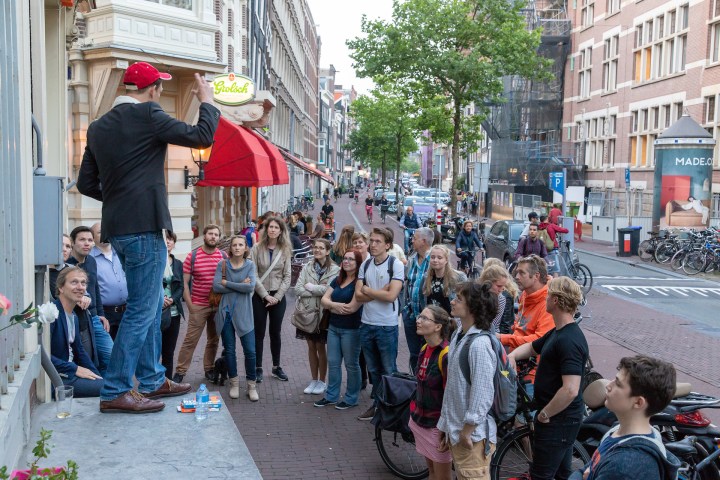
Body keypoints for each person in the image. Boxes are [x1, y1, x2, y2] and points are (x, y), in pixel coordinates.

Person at [77, 62, 216, 412]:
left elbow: (85, 184)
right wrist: (207, 101)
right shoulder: (150, 115)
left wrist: (120, 200)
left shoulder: (97, 127)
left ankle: (153, 379)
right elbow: (201, 136)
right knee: (142, 309)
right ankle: (116, 391)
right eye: (159, 88)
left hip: (117, 229)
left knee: (151, 302)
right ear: (153, 89)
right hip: (144, 228)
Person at [508, 276, 589, 480]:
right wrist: (512, 356)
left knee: (540, 475)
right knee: (562, 474)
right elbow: (534, 346)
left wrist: (545, 413)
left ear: (555, 300)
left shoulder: (570, 340)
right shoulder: (558, 332)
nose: (545, 297)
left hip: (559, 419)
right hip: (559, 418)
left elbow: (570, 389)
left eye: (549, 293)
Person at [571, 356, 680, 480]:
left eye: (618, 383)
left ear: (638, 402)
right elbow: (586, 469)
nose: (608, 386)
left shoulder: (625, 466)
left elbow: (585, 471)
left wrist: (588, 475)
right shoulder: (618, 430)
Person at [437, 282, 499, 480]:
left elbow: (482, 393)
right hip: (458, 432)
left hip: (472, 438)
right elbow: (454, 388)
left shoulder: (479, 345)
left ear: (472, 308)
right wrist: (446, 427)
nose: (452, 301)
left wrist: (466, 431)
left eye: (458, 299)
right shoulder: (459, 335)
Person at [355, 227, 405, 421]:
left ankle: (391, 408)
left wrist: (369, 290)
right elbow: (358, 295)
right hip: (367, 323)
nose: (372, 245)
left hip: (387, 325)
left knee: (388, 369)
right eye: (371, 241)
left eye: (377, 241)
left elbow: (391, 296)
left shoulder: (396, 265)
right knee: (373, 370)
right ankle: (377, 404)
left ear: (387, 245)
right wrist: (379, 292)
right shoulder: (366, 265)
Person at [173, 224, 226, 384]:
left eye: (216, 235)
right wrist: (190, 305)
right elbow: (184, 283)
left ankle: (209, 369)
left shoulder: (223, 256)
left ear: (219, 237)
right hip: (199, 305)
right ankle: (180, 371)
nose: (213, 237)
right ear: (204, 236)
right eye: (210, 234)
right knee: (190, 340)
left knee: (213, 339)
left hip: (217, 305)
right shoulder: (193, 256)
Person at [408, 305, 455, 480]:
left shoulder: (446, 355)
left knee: (442, 476)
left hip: (437, 426)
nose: (418, 321)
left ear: (438, 326)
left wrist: (446, 428)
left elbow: (451, 396)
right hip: (421, 421)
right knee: (431, 472)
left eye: (424, 318)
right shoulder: (424, 349)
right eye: (419, 316)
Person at [316, 249, 364, 410]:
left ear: (358, 264)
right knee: (334, 363)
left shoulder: (360, 282)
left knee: (351, 364)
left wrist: (331, 306)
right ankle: (331, 396)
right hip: (334, 327)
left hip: (351, 329)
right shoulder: (338, 280)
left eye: (351, 259)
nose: (346, 261)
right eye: (345, 258)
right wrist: (335, 306)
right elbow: (324, 300)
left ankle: (351, 398)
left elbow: (351, 308)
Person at [212, 235, 259, 401]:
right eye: (234, 245)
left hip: (245, 313)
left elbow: (250, 287)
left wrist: (227, 283)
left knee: (250, 351)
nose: (237, 248)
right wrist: (239, 285)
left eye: (241, 245)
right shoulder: (222, 264)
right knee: (230, 350)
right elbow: (216, 286)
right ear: (230, 248)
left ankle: (251, 386)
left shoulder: (250, 265)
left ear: (245, 248)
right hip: (226, 313)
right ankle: (233, 383)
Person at [500, 255, 554, 395]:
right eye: (517, 272)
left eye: (521, 273)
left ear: (536, 276)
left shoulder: (548, 303)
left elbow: (540, 340)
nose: (516, 276)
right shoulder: (525, 294)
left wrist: (503, 338)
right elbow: (522, 326)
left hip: (533, 373)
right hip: (516, 363)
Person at [294, 238, 340, 395]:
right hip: (307, 313)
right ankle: (313, 379)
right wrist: (318, 290)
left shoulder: (335, 270)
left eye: (321, 248)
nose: (317, 250)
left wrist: (313, 287)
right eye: (315, 247)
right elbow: (298, 289)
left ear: (328, 251)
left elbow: (331, 290)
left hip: (323, 315)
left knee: (321, 347)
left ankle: (322, 380)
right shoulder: (307, 267)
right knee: (311, 346)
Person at [250, 216, 293, 383]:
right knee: (258, 333)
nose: (273, 230)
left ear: (281, 231)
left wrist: (277, 297)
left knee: (275, 332)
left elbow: (287, 276)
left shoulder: (285, 249)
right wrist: (265, 295)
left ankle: (276, 367)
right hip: (260, 296)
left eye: (276, 227)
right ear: (266, 229)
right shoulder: (256, 248)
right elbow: (252, 274)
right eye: (270, 227)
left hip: (278, 297)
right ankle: (257, 367)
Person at [66, 226, 113, 376]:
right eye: (82, 240)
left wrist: (101, 313)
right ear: (73, 242)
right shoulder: (67, 265)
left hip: (93, 318)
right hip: (76, 320)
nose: (87, 243)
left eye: (90, 240)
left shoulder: (91, 261)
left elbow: (95, 288)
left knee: (110, 355)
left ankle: (108, 391)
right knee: (87, 361)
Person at [51, 267, 104, 397]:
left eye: (83, 283)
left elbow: (80, 351)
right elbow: (43, 354)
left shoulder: (74, 316)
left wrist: (96, 376)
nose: (80, 287)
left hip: (71, 373)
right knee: (112, 390)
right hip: (59, 379)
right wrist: (75, 369)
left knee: (111, 385)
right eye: (74, 282)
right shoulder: (51, 314)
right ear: (61, 288)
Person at [89, 222, 128, 341]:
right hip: (105, 313)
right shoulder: (90, 258)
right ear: (93, 237)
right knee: (109, 350)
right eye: (100, 232)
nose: (105, 234)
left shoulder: (121, 253)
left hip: (126, 311)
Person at [403, 227, 434, 372]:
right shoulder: (411, 260)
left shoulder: (434, 260)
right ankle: (414, 384)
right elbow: (407, 284)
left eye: (414, 238)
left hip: (428, 319)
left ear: (423, 241)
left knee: (428, 353)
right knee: (414, 354)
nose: (412, 240)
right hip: (410, 315)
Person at [161, 231, 184, 380]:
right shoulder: (155, 261)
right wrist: (161, 299)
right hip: (157, 313)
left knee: (169, 352)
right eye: (165, 239)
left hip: (174, 313)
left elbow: (181, 286)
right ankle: (153, 383)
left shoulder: (178, 264)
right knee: (155, 352)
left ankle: (167, 383)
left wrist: (172, 299)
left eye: (171, 240)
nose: (168, 242)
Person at [424, 245, 467, 315]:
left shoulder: (459, 277)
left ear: (446, 260)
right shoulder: (426, 277)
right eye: (432, 257)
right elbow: (424, 299)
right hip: (433, 321)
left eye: (439, 258)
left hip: (450, 321)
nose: (435, 260)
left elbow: (466, 299)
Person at [479, 264, 518, 335]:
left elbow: (493, 325)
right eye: (499, 286)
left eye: (504, 286)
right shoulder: (475, 294)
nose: (502, 289)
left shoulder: (501, 299)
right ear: (487, 282)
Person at [49, 234, 74, 301]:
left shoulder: (74, 270)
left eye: (68, 246)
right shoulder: (41, 271)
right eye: (60, 245)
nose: (64, 249)